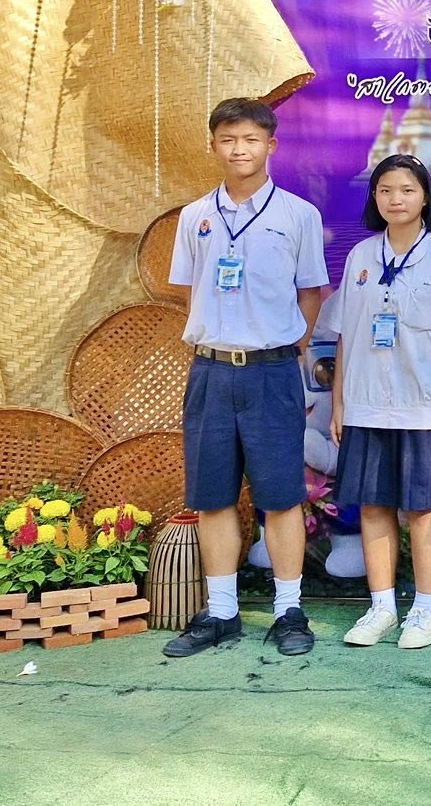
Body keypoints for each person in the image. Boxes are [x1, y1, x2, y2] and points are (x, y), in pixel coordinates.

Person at [163, 98, 330, 659]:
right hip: (211, 371)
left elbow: (311, 293)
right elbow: (191, 290)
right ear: (213, 145)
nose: (240, 149)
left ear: (270, 146)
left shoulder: (298, 215)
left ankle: (288, 610)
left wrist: (286, 344)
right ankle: (222, 612)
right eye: (229, 139)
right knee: (212, 497)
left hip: (272, 372)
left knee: (281, 497)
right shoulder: (195, 217)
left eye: (251, 139)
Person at [322, 155, 431, 650]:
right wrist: (340, 402)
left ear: (425, 196)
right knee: (373, 506)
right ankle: (382, 607)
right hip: (366, 403)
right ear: (375, 198)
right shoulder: (361, 255)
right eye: (385, 190)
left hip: (428, 406)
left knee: (425, 509)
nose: (396, 199)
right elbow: (345, 335)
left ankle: (426, 610)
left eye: (407, 189)